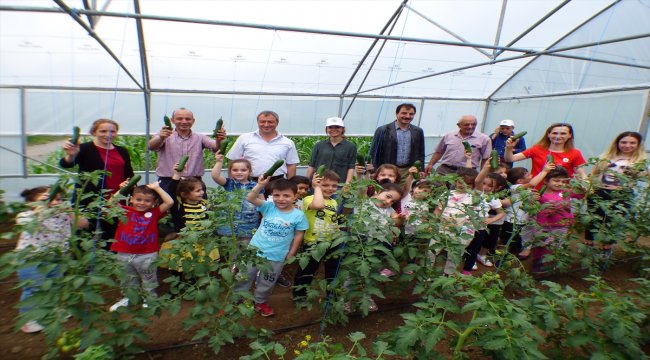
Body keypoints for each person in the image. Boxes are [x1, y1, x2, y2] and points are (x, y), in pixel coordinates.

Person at [15, 186, 89, 333]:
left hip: (58, 257)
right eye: (47, 198)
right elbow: (26, 224)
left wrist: (70, 211)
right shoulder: (26, 215)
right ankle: (28, 319)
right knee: (34, 289)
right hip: (32, 260)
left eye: (59, 199)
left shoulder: (63, 215)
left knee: (55, 286)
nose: (55, 202)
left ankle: (53, 312)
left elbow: (83, 224)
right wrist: (41, 209)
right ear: (31, 203)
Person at [233, 177, 309, 317]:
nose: (281, 199)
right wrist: (260, 184)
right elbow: (250, 197)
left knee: (267, 280)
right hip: (254, 251)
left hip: (277, 255)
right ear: (272, 196)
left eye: (286, 195)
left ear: (295, 196)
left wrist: (292, 252)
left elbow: (299, 234)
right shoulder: (268, 207)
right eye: (276, 195)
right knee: (244, 276)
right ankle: (237, 299)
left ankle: (260, 302)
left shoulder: (298, 215)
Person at [60, 119, 134, 246]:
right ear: (94, 132)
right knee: (85, 234)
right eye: (103, 131)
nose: (108, 134)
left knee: (111, 233)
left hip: (115, 199)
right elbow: (66, 164)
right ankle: (83, 263)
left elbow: (129, 174)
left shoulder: (122, 151)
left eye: (112, 131)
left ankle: (110, 260)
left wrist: (132, 192)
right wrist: (71, 155)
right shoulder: (84, 148)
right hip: (89, 199)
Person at [109, 182, 174, 312]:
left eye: (147, 201)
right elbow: (111, 203)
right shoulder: (125, 211)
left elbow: (169, 202)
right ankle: (129, 297)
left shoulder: (155, 212)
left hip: (147, 254)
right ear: (131, 199)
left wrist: (157, 188)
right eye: (138, 199)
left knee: (148, 278)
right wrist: (122, 189)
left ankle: (150, 298)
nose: (142, 203)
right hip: (124, 253)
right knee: (127, 278)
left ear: (154, 202)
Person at [585, 131, 646, 252]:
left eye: (632, 143)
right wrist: (589, 187)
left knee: (614, 221)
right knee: (593, 219)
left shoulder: (640, 161)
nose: (627, 145)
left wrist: (636, 172)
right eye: (623, 142)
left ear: (638, 145)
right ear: (617, 143)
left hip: (623, 195)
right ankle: (587, 246)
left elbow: (644, 174)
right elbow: (593, 173)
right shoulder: (606, 157)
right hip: (600, 192)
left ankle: (606, 249)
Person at [147, 108, 226, 196]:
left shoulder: (200, 137)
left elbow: (216, 148)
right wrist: (161, 137)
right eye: (179, 118)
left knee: (198, 209)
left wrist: (219, 140)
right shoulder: (164, 135)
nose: (184, 121)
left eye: (188, 119)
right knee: (169, 208)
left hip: (195, 182)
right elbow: (150, 146)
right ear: (172, 120)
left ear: (193, 121)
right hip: (168, 180)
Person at [292, 170, 341, 302]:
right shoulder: (308, 199)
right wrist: (316, 188)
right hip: (313, 242)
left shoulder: (334, 202)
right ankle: (299, 295)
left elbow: (332, 219)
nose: (330, 188)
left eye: (334, 185)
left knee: (333, 271)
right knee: (307, 270)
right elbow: (318, 205)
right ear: (317, 185)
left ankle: (331, 295)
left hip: (332, 242)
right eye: (325, 185)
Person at [532, 166, 584, 273]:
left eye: (563, 181)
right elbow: (532, 207)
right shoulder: (540, 193)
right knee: (541, 243)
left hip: (562, 224)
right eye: (556, 180)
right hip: (544, 224)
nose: (559, 183)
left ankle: (553, 261)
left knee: (557, 243)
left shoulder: (567, 191)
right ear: (546, 181)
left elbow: (581, 195)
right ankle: (537, 262)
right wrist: (536, 202)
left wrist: (581, 183)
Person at [226, 110, 300, 182]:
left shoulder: (287, 142)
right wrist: (232, 183)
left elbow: (291, 165)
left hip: (277, 182)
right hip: (249, 182)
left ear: (277, 123)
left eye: (270, 122)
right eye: (262, 121)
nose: (266, 125)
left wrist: (291, 184)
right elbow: (233, 160)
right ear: (258, 122)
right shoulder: (244, 138)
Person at [505, 122, 586, 181]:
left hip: (561, 195)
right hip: (536, 192)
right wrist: (509, 148)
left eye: (563, 133)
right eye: (554, 133)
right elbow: (510, 159)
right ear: (548, 135)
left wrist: (586, 185)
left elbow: (581, 174)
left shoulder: (575, 153)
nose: (558, 136)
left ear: (569, 135)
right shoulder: (537, 149)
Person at [211, 154, 262, 246]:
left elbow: (263, 204)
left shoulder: (256, 186)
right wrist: (219, 162)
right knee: (231, 251)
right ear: (230, 172)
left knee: (245, 250)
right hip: (229, 225)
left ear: (249, 172)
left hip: (248, 225)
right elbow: (215, 176)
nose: (239, 172)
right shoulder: (229, 184)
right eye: (235, 170)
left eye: (243, 170)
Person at [369, 103, 425, 183]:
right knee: (387, 192)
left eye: (411, 114)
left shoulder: (418, 131)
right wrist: (374, 171)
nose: (407, 116)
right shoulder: (383, 130)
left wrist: (421, 169)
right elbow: (374, 152)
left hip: (408, 170)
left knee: (405, 193)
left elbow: (421, 152)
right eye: (404, 113)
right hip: (387, 171)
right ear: (397, 113)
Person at [425, 115, 492, 176]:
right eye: (467, 125)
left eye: (473, 124)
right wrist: (430, 164)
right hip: (444, 170)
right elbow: (439, 152)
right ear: (459, 125)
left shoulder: (484, 139)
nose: (470, 127)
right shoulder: (449, 135)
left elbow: (485, 158)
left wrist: (483, 175)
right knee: (437, 188)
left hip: (466, 172)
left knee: (461, 189)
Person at [305, 117, 357, 184]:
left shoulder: (350, 146)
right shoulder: (319, 145)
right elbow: (312, 165)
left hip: (339, 185)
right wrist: (306, 182)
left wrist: (347, 184)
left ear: (343, 129)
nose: (333, 129)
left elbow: (351, 167)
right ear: (326, 129)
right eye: (330, 127)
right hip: (319, 183)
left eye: (337, 127)